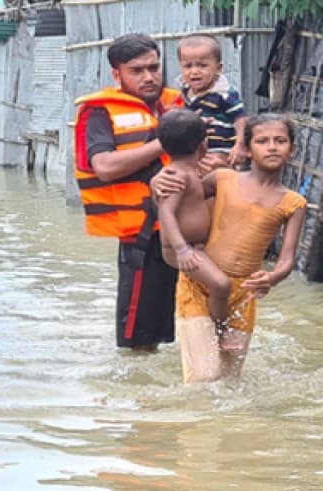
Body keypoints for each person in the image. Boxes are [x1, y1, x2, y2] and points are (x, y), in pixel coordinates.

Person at [152, 113, 307, 383]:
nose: (272, 146)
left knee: (227, 382)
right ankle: (188, 424)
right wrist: (157, 184)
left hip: (243, 296)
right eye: (262, 141)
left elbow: (287, 259)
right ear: (246, 149)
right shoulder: (222, 179)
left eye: (280, 141)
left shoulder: (294, 203)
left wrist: (273, 277)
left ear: (291, 151)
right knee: (203, 378)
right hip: (200, 286)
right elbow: (183, 198)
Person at [72, 34, 185, 351]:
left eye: (154, 67)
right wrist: (165, 142)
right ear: (116, 74)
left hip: (186, 228)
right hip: (143, 236)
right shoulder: (101, 113)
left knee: (189, 321)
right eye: (137, 70)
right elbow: (105, 167)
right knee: (139, 339)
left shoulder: (178, 103)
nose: (149, 77)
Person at [152, 108, 235, 348]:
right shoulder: (176, 175)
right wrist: (182, 250)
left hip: (192, 246)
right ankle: (220, 331)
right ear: (204, 145)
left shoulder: (190, 172)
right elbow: (165, 212)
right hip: (181, 248)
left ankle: (215, 324)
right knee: (221, 284)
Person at [178, 33, 248, 170]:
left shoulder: (224, 94)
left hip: (221, 156)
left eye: (203, 66)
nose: (195, 72)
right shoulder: (182, 95)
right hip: (194, 156)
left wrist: (240, 145)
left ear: (218, 68)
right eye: (188, 66)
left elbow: (241, 119)